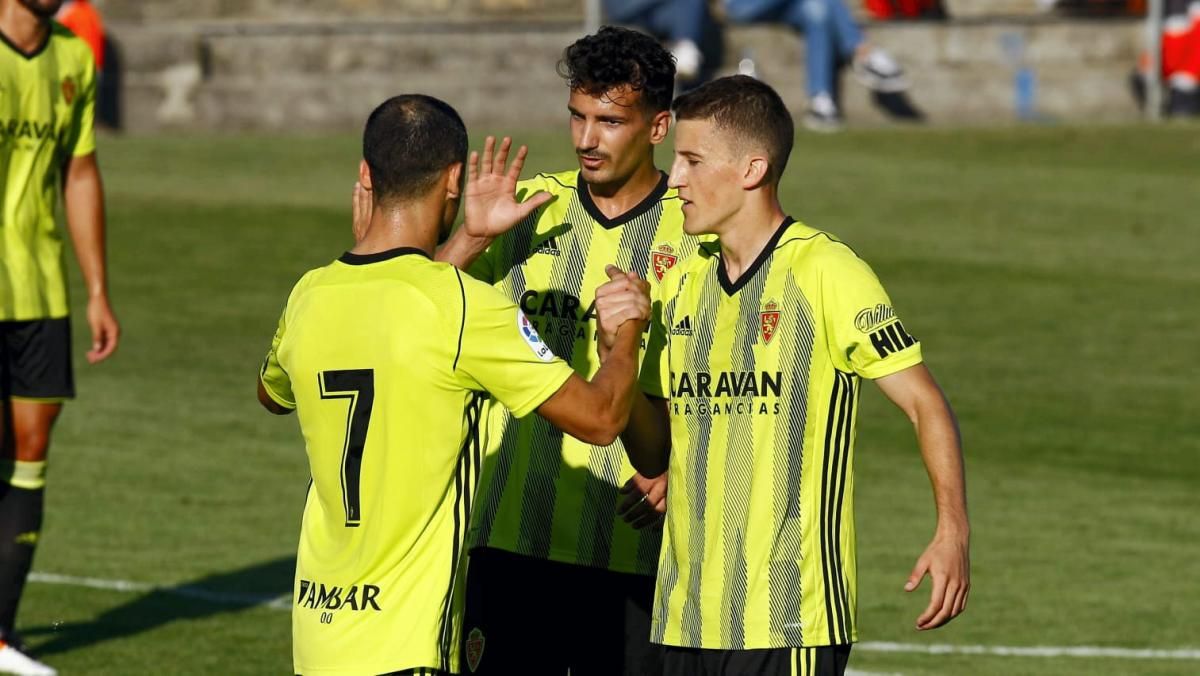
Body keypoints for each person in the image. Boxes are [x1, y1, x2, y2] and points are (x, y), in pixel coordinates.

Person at [257, 94, 651, 675]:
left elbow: (272, 395)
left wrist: (467, 243)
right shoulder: (465, 307)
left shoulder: (308, 294)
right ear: (452, 181)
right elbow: (600, 418)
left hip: (318, 643)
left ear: (366, 175)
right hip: (407, 647)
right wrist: (627, 336)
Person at [615, 75, 970, 675]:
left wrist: (952, 530)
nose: (673, 179)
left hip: (790, 621)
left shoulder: (827, 271)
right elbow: (657, 443)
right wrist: (615, 348)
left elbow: (924, 404)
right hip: (680, 617)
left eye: (693, 161)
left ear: (752, 169)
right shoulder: (680, 278)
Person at [434, 26, 700, 676]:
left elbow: (728, 378)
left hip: (640, 556)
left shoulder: (698, 229)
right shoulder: (524, 210)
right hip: (510, 544)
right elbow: (416, 319)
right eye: (578, 117)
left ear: (659, 125)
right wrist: (468, 240)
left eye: (609, 121)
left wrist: (683, 468)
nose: (586, 138)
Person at [0, 0, 119, 674]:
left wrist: (97, 288)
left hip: (40, 287)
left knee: (31, 448)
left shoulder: (73, 56)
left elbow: (79, 173)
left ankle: (2, 635)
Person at [723, 0, 912, 131]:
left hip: (786, 6)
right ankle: (863, 51)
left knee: (818, 12)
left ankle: (819, 101)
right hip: (741, 5)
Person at [602, 0, 723, 86]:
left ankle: (685, 47)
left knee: (687, 8)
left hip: (661, 9)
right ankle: (685, 47)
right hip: (625, 5)